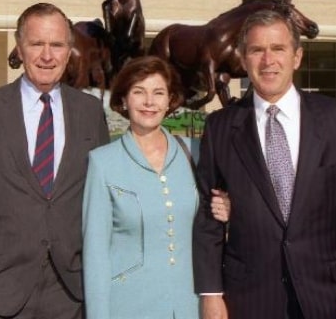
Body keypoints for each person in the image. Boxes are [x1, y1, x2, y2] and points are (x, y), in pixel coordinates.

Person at [192, 9, 336, 319]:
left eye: (278, 49)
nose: (268, 60)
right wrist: (211, 294)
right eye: (257, 50)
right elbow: (208, 216)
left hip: (328, 294)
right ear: (244, 60)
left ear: (297, 57)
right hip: (249, 298)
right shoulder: (219, 127)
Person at [0, 2, 110, 319]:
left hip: (71, 292)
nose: (47, 56)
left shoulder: (89, 112)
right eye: (37, 44)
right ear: (20, 48)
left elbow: (102, 197)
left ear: (68, 50)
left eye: (57, 45)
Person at [82, 56, 230, 319]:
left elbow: (217, 222)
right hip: (128, 307)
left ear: (170, 100)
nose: (149, 102)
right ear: (124, 100)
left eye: (158, 93)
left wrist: (229, 208)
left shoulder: (195, 152)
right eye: (139, 92)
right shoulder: (102, 162)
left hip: (191, 305)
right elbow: (96, 256)